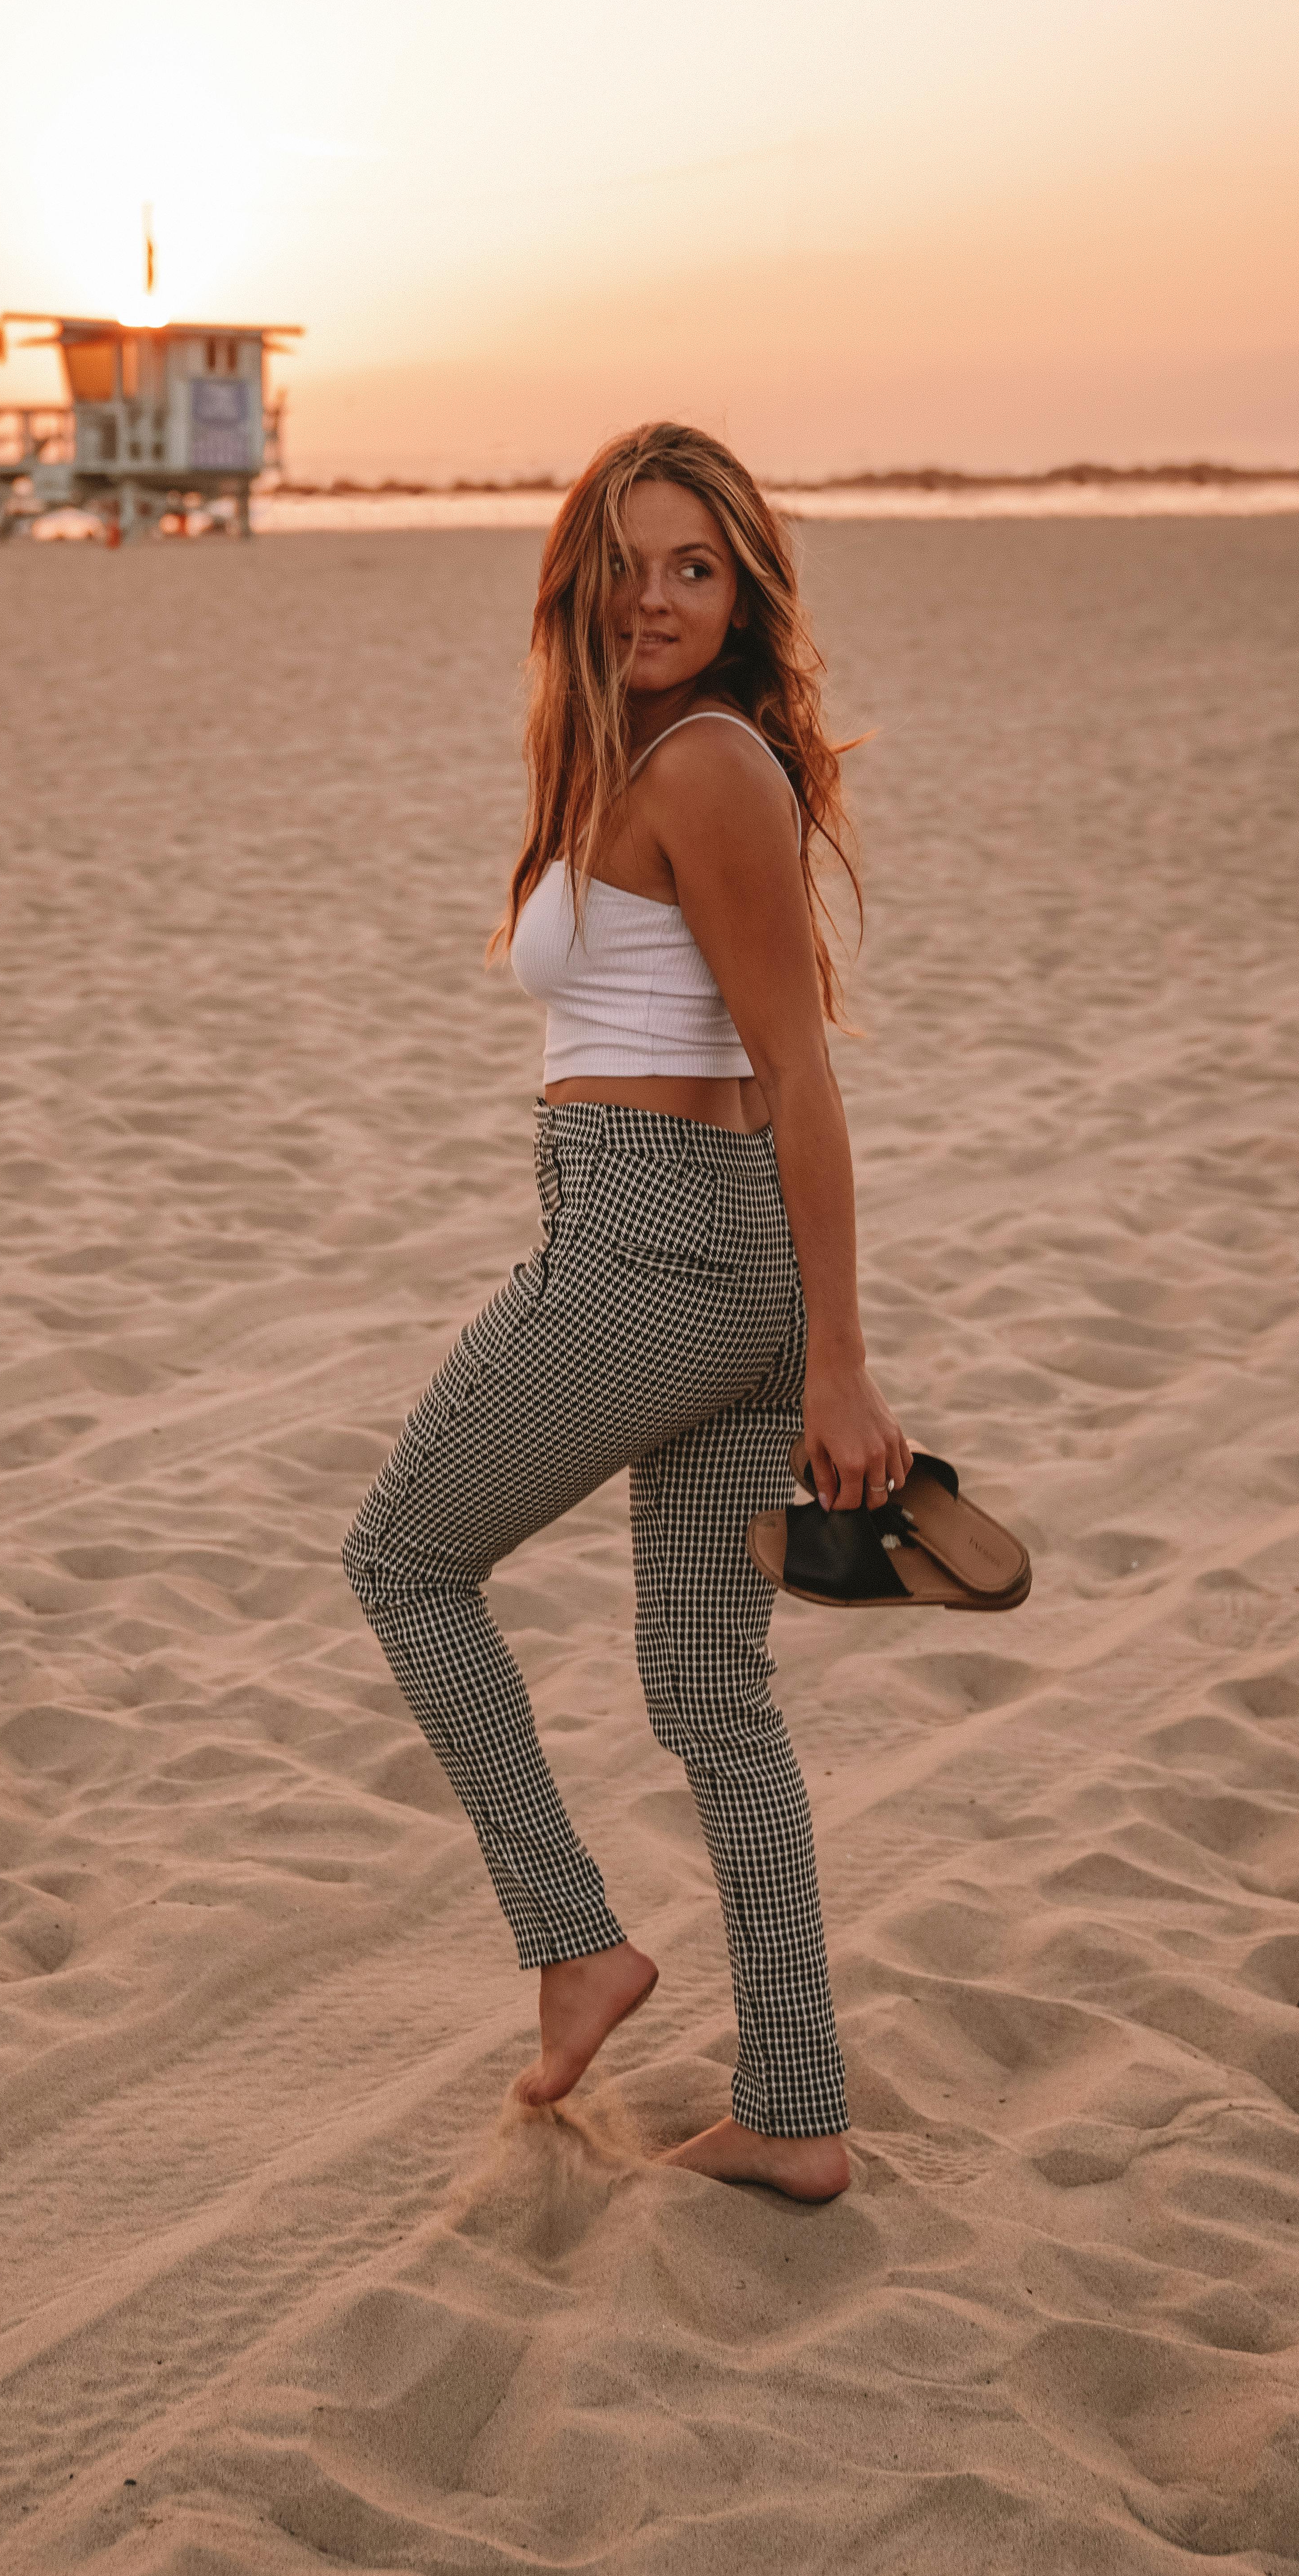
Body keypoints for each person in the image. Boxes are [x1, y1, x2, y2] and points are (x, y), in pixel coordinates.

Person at [342, 419, 910, 2200]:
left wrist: (843, 1361)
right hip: (677, 1247)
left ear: (741, 597)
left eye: (698, 568)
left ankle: (575, 1939)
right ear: (579, 573)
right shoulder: (628, 751)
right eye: (633, 562)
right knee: (710, 1693)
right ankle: (797, 2112)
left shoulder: (713, 769)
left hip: (659, 1252)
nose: (658, 598)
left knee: (405, 1560)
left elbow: (801, 1072)